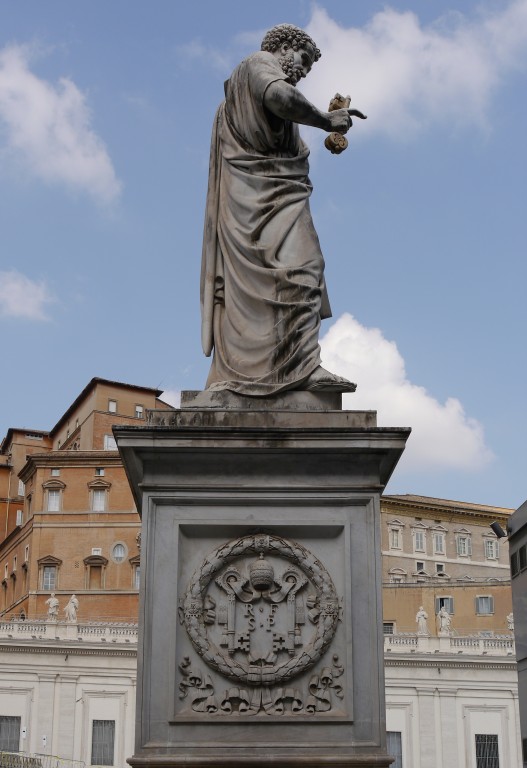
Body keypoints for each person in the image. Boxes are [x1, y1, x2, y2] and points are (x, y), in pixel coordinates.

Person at [201, 24, 366, 395]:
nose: (304, 71)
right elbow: (278, 96)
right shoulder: (257, 63)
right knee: (301, 272)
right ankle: (274, 370)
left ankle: (302, 365)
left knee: (306, 272)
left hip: (281, 200)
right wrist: (325, 120)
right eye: (304, 60)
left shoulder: (267, 99)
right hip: (253, 206)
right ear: (285, 47)